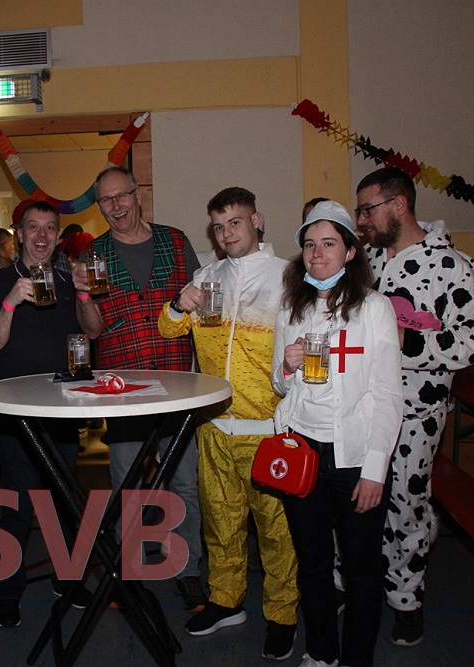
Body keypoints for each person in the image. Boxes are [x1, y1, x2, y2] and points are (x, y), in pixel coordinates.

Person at [354, 167, 474, 646]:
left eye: (368, 209)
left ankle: (406, 599)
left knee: (405, 505)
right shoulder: (367, 261)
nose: (362, 220)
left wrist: (406, 341)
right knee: (353, 500)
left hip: (416, 412)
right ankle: (351, 583)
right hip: (360, 407)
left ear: (398, 205)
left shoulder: (452, 266)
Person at [158, 187, 299, 658]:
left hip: (267, 429)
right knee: (220, 523)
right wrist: (179, 304)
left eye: (234, 222)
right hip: (214, 426)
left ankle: (282, 615)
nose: (226, 233)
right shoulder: (206, 277)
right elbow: (169, 328)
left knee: (277, 532)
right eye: (218, 227)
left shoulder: (288, 278)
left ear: (256, 221)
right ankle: (225, 601)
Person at [272, 201, 403, 667]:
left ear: (350, 251)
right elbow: (279, 386)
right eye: (309, 245)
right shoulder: (292, 306)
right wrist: (287, 367)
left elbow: (389, 394)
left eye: (328, 244)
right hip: (304, 452)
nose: (317, 254)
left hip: (355, 458)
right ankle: (322, 651)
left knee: (362, 570)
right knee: (312, 565)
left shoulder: (374, 308)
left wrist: (375, 470)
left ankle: (356, 659)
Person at [75, 165, 205, 611]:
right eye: (106, 200)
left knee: (184, 483)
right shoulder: (92, 254)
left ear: (138, 195)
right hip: (124, 391)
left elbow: (201, 308)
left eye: (122, 195)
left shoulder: (176, 241)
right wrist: (83, 296)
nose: (116, 205)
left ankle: (188, 571)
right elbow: (91, 331)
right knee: (125, 486)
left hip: (177, 384)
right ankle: (126, 573)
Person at [0, 200, 103, 628]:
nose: (42, 235)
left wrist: (84, 294)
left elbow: (93, 330)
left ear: (57, 235)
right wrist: (11, 301)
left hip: (62, 408)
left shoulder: (69, 278)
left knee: (65, 498)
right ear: (19, 233)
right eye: (33, 227)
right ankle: (8, 591)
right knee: (17, 503)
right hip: (13, 413)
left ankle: (69, 580)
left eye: (50, 228)